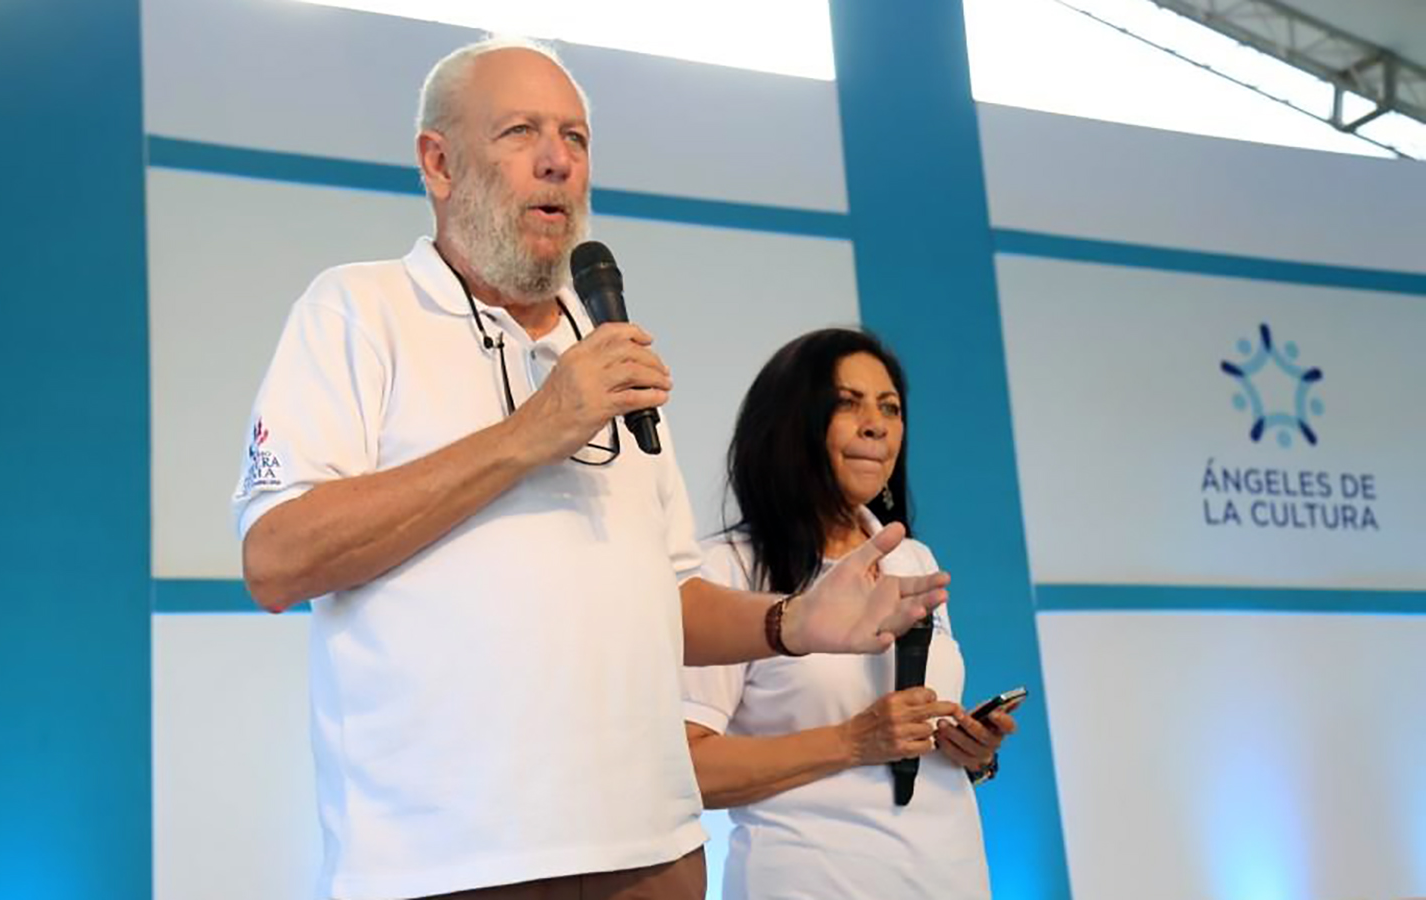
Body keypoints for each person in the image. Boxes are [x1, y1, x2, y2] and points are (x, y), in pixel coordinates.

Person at [231, 38, 951, 900]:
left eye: (575, 137)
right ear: (439, 163)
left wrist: (790, 621)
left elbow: (671, 600)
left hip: (654, 855)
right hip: (447, 866)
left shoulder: (607, 352)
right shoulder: (360, 309)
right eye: (520, 132)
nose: (557, 160)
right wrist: (534, 430)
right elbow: (276, 560)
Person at [681, 328, 1017, 900]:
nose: (876, 425)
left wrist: (971, 754)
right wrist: (852, 741)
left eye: (890, 408)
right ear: (791, 424)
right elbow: (689, 770)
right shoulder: (725, 571)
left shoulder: (913, 559)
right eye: (847, 403)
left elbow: (910, 747)